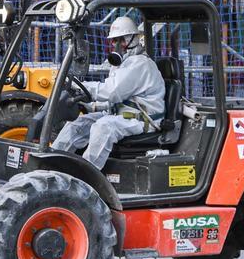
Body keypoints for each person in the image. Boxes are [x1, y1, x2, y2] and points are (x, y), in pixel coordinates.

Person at [50, 16, 166, 168]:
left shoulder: (140, 64)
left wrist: (79, 87)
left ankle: (86, 177)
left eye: (121, 40)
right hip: (122, 115)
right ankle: (51, 164)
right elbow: (114, 100)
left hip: (143, 121)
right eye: (114, 41)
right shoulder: (123, 63)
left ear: (133, 39)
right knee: (77, 125)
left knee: (104, 126)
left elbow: (112, 92)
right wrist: (92, 106)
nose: (117, 45)